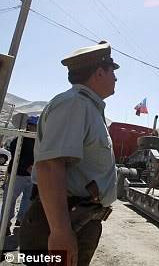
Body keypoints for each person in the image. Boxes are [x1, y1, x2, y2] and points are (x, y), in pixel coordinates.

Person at [19, 41, 119, 266]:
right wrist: (60, 231)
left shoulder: (88, 108)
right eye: (113, 71)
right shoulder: (75, 104)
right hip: (62, 220)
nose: (116, 78)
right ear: (100, 72)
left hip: (78, 220)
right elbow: (50, 166)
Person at [0, 115, 38, 235]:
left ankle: (21, 221)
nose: (33, 128)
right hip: (17, 175)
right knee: (10, 201)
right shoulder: (19, 139)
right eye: (32, 125)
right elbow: (15, 155)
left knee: (27, 200)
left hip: (31, 176)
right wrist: (26, 166)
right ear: (28, 125)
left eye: (35, 126)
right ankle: (5, 224)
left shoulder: (38, 140)